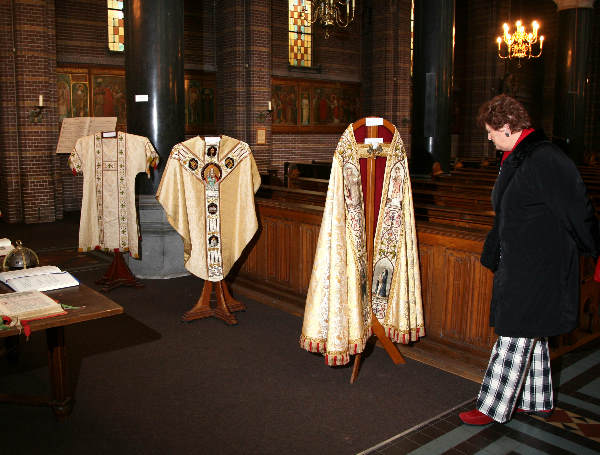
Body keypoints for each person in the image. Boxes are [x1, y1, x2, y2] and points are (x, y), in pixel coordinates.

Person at [459, 94, 600, 426]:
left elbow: (578, 209)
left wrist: (596, 248)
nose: (488, 137)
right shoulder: (519, 155)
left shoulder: (546, 158)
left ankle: (491, 407)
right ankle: (535, 399)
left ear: (507, 127)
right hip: (524, 260)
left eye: (491, 131)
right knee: (531, 330)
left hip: (541, 265)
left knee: (515, 330)